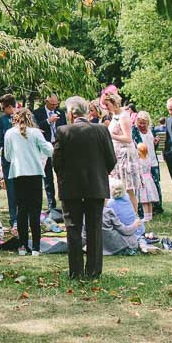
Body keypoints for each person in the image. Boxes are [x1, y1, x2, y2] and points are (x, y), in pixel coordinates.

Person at [53, 96, 116, 280]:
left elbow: (56, 162)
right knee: (94, 228)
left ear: (71, 113)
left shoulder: (63, 131)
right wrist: (99, 174)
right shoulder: (101, 130)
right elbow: (111, 159)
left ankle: (76, 271)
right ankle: (94, 271)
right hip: (96, 185)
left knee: (73, 228)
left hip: (70, 187)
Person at [4, 107, 53, 256]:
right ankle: (36, 247)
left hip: (19, 174)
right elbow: (49, 151)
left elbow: (7, 156)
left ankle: (23, 245)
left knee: (22, 210)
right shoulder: (36, 133)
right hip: (35, 173)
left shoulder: (10, 134)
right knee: (35, 210)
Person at [104, 92, 140, 214]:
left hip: (125, 155)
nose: (106, 108)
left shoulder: (124, 116)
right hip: (116, 155)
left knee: (128, 188)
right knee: (116, 186)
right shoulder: (114, 117)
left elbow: (128, 138)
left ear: (114, 103)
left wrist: (111, 135)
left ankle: (134, 215)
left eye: (107, 105)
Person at [93, 179, 145, 255]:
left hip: (125, 230)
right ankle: (143, 244)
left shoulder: (109, 206)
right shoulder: (127, 197)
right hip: (137, 228)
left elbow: (123, 229)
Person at [33, 94, 64, 213]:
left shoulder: (60, 112)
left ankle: (62, 201)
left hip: (57, 145)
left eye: (56, 104)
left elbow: (64, 127)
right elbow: (35, 128)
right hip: (45, 147)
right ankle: (51, 204)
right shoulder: (37, 113)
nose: (54, 107)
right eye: (52, 104)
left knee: (61, 175)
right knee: (48, 177)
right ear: (46, 102)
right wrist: (48, 121)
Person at [0, 93, 18, 231]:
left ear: (10, 106)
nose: (2, 111)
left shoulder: (26, 115)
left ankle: (26, 219)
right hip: (8, 160)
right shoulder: (3, 120)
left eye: (3, 108)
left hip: (22, 160)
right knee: (11, 191)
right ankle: (14, 221)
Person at [133, 111, 162, 214]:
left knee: (155, 184)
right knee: (143, 185)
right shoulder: (135, 131)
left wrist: (156, 143)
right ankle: (143, 209)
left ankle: (156, 207)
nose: (142, 125)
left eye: (144, 123)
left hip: (152, 160)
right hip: (141, 160)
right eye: (140, 123)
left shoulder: (151, 130)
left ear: (148, 122)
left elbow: (154, 147)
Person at [136, 143, 159, 222]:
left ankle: (146, 216)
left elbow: (139, 171)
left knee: (145, 200)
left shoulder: (139, 161)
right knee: (149, 200)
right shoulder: (148, 159)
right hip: (149, 179)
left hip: (142, 179)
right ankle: (150, 215)